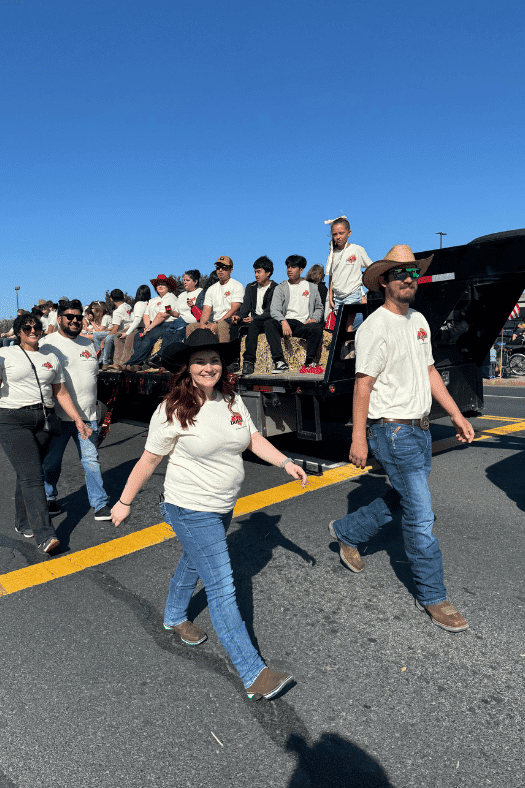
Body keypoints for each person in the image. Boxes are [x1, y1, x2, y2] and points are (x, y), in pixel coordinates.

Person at [111, 329, 308, 699]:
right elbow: (150, 459)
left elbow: (252, 438)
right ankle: (253, 674)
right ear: (187, 368)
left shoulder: (231, 400)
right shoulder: (172, 409)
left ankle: (173, 616)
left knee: (192, 560)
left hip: (223, 504)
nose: (208, 367)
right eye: (200, 361)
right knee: (221, 586)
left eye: (214, 360)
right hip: (189, 507)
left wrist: (285, 462)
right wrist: (124, 502)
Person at [327, 245, 475, 632]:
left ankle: (347, 532)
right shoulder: (375, 327)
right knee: (422, 515)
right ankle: (434, 595)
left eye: (412, 273)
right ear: (383, 283)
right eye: (400, 274)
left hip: (420, 428)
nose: (408, 279)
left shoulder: (419, 320)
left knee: (407, 498)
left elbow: (429, 372)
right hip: (391, 430)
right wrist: (359, 437)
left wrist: (457, 415)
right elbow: (363, 386)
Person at [0, 313, 91, 553]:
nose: (33, 330)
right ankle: (45, 534)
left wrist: (77, 419)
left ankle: (22, 522)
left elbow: (60, 392)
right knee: (33, 476)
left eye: (36, 327)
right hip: (13, 420)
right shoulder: (6, 354)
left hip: (44, 420)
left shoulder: (50, 356)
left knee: (28, 472)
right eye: (27, 327)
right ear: (18, 331)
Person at [40, 300, 112, 521]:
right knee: (51, 463)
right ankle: (49, 498)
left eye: (78, 317)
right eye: (69, 317)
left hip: (88, 417)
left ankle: (100, 504)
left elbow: (91, 378)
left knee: (91, 461)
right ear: (59, 318)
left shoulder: (88, 343)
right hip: (58, 418)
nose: (74, 320)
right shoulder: (46, 343)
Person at [265, 255, 324, 374]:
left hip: (305, 324)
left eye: (293, 267)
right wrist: (283, 321)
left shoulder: (312, 287)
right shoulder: (281, 288)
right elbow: (274, 309)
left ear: (301, 270)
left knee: (318, 327)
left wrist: (314, 319)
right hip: (288, 323)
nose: (289, 270)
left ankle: (309, 363)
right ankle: (280, 362)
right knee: (269, 324)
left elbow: (319, 308)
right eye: (288, 267)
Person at [125, 274, 183, 370]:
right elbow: (146, 314)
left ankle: (132, 362)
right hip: (154, 325)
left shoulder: (170, 297)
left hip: (166, 324)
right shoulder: (153, 300)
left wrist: (149, 328)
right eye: (158, 285)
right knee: (138, 336)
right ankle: (140, 363)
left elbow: (162, 315)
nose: (160, 286)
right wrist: (147, 327)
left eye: (163, 284)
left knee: (149, 336)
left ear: (168, 287)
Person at [231, 256, 278, 375]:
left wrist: (254, 318)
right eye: (255, 272)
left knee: (253, 324)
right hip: (253, 319)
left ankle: (248, 361)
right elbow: (245, 308)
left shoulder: (276, 288)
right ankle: (234, 361)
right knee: (234, 325)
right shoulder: (250, 287)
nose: (256, 275)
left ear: (268, 273)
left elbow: (271, 311)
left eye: (259, 272)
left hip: (267, 321)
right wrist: (239, 316)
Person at [325, 216, 373, 332]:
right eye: (335, 234)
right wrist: (330, 296)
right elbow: (332, 275)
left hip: (352, 291)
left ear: (349, 233)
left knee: (348, 324)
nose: (338, 237)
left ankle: (349, 347)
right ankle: (347, 346)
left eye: (341, 233)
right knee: (342, 325)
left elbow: (371, 266)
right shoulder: (332, 253)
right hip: (338, 295)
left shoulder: (357, 250)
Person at [189, 256, 244, 342]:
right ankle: (195, 354)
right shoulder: (211, 289)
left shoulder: (237, 286)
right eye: (218, 268)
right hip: (214, 321)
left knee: (221, 325)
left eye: (224, 268)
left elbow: (234, 309)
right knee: (190, 327)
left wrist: (217, 323)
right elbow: (206, 310)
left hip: (229, 320)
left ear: (231, 270)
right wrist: (203, 324)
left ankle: (224, 354)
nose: (220, 270)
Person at [111, 284, 151, 369]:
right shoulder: (148, 303)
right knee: (120, 334)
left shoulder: (139, 304)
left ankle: (122, 363)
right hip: (139, 327)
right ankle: (120, 362)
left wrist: (127, 332)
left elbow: (137, 320)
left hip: (139, 328)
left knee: (123, 337)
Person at [99, 289, 132, 369]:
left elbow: (115, 330)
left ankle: (105, 361)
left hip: (122, 331)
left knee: (107, 337)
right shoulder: (129, 306)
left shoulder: (117, 311)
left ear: (111, 299)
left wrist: (103, 341)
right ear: (123, 297)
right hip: (130, 329)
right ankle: (101, 358)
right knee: (97, 334)